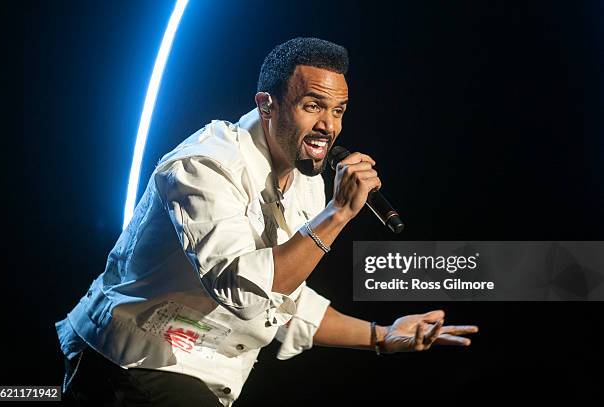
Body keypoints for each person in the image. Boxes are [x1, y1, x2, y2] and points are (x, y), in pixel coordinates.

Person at [55, 37, 478, 406]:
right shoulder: (205, 165)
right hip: (129, 363)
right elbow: (242, 289)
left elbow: (284, 299)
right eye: (312, 106)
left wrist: (383, 335)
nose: (328, 126)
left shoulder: (304, 178)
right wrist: (339, 213)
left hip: (198, 376)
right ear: (267, 105)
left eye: (339, 110)